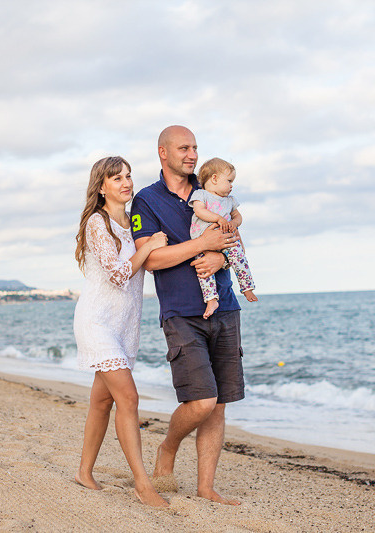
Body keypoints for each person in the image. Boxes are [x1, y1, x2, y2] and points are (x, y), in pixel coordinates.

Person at [130, 126, 244, 505]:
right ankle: (168, 446)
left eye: (195, 147)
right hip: (181, 311)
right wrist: (202, 244)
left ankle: (206, 487)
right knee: (201, 402)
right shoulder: (146, 201)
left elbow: (234, 238)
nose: (192, 154)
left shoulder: (212, 187)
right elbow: (151, 259)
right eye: (184, 148)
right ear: (163, 152)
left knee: (220, 402)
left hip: (225, 305)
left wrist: (221, 255)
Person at [73, 155, 169, 508]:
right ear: (101, 186)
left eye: (128, 176)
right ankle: (143, 485)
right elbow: (117, 274)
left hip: (125, 325)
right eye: (117, 178)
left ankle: (84, 472)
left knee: (101, 402)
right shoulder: (97, 224)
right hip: (97, 321)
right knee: (128, 399)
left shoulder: (134, 221)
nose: (126, 183)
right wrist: (147, 248)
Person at [189, 157, 258, 319]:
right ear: (214, 178)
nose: (231, 185)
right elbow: (199, 211)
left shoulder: (230, 200)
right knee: (204, 271)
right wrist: (218, 219)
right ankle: (211, 299)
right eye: (229, 180)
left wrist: (233, 222)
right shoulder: (201, 195)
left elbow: (238, 216)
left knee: (239, 257)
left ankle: (247, 286)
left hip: (226, 238)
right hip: (202, 240)